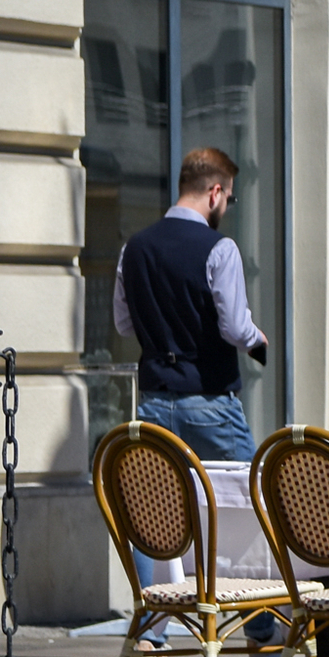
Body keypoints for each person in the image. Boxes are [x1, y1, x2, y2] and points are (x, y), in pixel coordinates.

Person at [114, 146, 268, 462]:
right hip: (209, 403)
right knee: (249, 501)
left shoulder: (133, 248)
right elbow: (236, 329)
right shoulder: (221, 249)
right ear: (215, 193)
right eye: (229, 199)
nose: (225, 208)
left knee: (167, 505)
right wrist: (257, 339)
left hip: (153, 403)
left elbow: (124, 324)